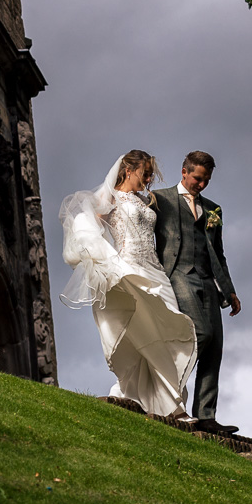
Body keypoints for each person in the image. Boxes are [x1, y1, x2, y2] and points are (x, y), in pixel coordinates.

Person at [58, 151, 197, 418]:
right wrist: (99, 253)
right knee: (144, 334)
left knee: (168, 327)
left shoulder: (146, 200)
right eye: (145, 173)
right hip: (129, 267)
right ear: (128, 169)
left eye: (150, 174)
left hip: (156, 272)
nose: (148, 179)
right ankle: (173, 408)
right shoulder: (109, 199)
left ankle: (166, 401)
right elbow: (84, 222)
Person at [152, 150, 241, 434]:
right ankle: (166, 393)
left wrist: (230, 291)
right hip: (177, 273)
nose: (201, 185)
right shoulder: (160, 198)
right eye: (197, 179)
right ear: (184, 172)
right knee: (201, 333)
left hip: (208, 279)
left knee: (215, 346)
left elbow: (220, 253)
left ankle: (206, 416)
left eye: (206, 181)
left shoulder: (214, 209)